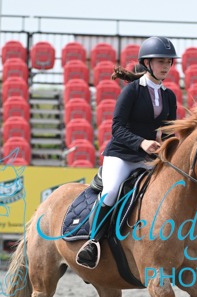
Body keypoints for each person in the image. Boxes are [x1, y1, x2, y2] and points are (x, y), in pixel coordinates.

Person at [76, 36, 179, 269]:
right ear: (147, 63)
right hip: (121, 155)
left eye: (168, 62)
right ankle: (93, 242)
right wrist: (141, 143)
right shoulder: (132, 91)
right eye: (161, 61)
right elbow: (117, 128)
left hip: (148, 159)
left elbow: (169, 132)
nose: (166, 66)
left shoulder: (169, 96)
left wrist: (168, 149)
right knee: (111, 191)